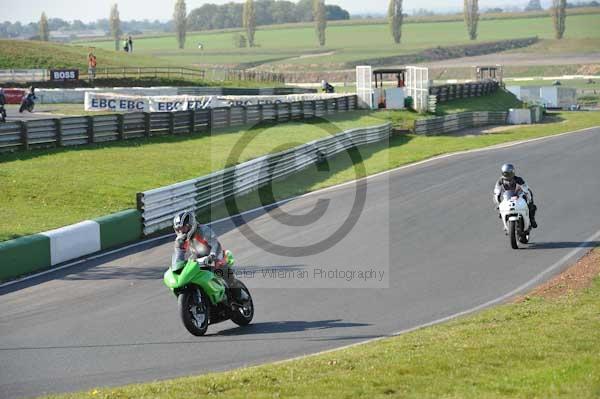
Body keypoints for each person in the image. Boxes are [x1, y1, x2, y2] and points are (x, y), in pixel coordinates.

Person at [171, 211, 245, 302]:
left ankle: (240, 294)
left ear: (191, 225)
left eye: (184, 228)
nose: (181, 231)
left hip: (215, 255)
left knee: (222, 268)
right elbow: (179, 254)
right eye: (179, 229)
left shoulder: (203, 230)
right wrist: (178, 265)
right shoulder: (181, 239)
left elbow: (215, 244)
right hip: (198, 260)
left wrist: (212, 256)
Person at [493, 164, 538, 228]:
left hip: (519, 196)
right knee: (500, 209)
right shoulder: (500, 182)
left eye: (509, 173)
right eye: (506, 174)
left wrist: (530, 201)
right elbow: (496, 193)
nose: (508, 176)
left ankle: (532, 219)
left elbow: (527, 190)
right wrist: (498, 204)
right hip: (507, 198)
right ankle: (506, 223)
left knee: (531, 206)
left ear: (513, 172)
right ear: (502, 173)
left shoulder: (519, 180)